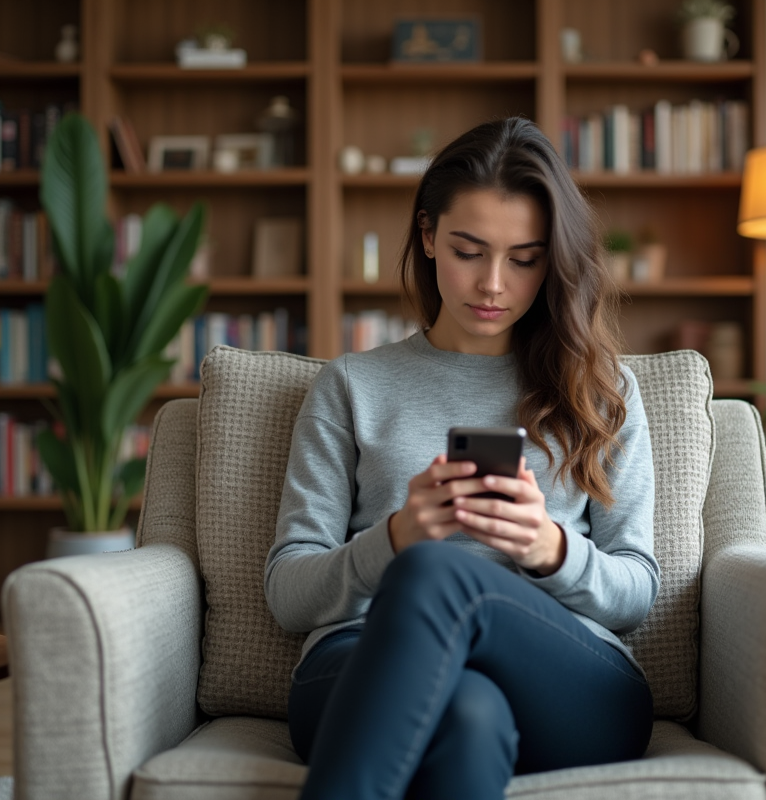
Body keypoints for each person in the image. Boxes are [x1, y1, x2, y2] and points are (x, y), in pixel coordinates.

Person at [265, 117, 658, 800]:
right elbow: (288, 594)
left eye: (525, 258)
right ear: (427, 236)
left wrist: (550, 549)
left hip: (568, 682)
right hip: (358, 669)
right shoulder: (353, 386)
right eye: (468, 251)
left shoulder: (602, 392)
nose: (493, 285)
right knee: (469, 712)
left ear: (555, 259)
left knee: (442, 574)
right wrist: (392, 540)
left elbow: (638, 592)